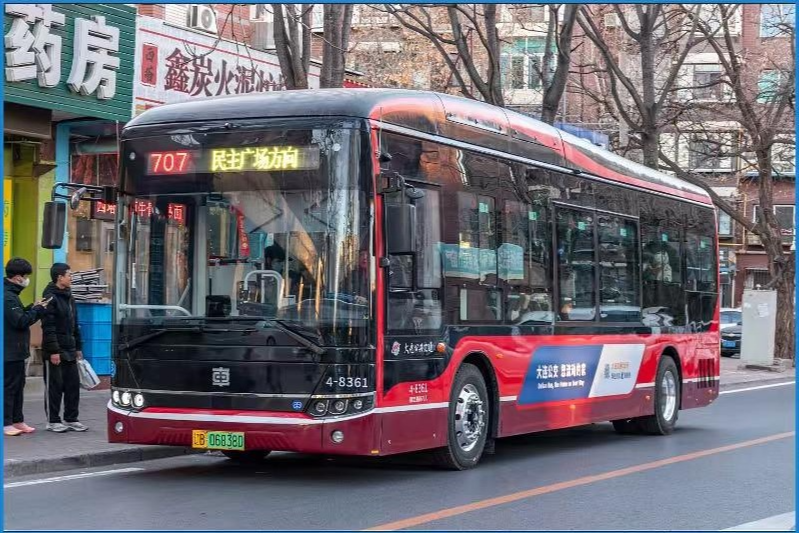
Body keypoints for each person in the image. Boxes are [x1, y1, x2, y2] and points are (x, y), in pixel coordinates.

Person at [3, 258, 49, 436]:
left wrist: (33, 307)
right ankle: (6, 423)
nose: (26, 280)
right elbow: (20, 321)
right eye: (25, 276)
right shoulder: (7, 296)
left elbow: (21, 315)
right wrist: (37, 310)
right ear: (16, 277)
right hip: (9, 351)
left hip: (15, 350)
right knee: (9, 388)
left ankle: (17, 420)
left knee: (18, 386)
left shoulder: (12, 295)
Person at [41, 263, 88, 432]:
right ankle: (53, 420)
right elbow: (48, 327)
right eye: (69, 274)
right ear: (59, 277)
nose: (71, 277)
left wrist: (78, 347)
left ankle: (71, 418)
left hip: (70, 348)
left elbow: (75, 324)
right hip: (55, 350)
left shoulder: (69, 297)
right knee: (54, 386)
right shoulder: (49, 297)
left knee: (72, 385)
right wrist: (54, 351)